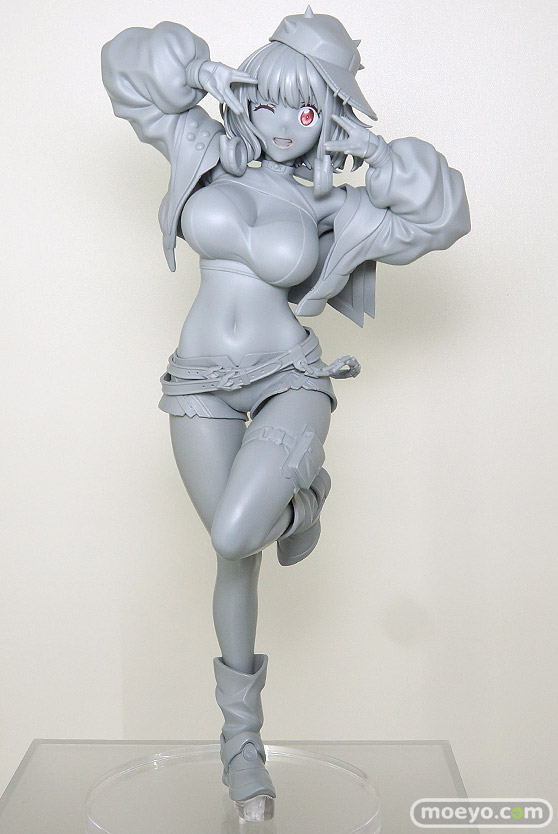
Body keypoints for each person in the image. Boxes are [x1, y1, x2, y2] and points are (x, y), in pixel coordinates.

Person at [101, 8, 470, 821]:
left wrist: (376, 153)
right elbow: (124, 64)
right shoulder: (200, 147)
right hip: (197, 384)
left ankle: (301, 498)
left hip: (288, 380)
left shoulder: (335, 207)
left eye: (304, 110)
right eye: (265, 100)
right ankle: (244, 754)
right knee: (232, 556)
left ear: (328, 116)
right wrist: (201, 75)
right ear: (245, 96)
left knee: (237, 531)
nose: (278, 124)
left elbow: (444, 214)